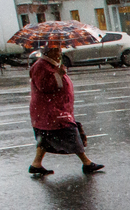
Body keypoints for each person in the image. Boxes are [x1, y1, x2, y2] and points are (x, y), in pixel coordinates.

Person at [28, 45, 102, 177]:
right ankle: (86, 163)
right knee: (70, 134)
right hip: (51, 111)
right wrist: (59, 74)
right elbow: (45, 87)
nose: (59, 52)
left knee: (45, 138)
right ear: (48, 51)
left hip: (54, 109)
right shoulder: (41, 66)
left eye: (59, 50)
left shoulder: (50, 64)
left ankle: (36, 164)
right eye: (56, 50)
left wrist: (59, 73)